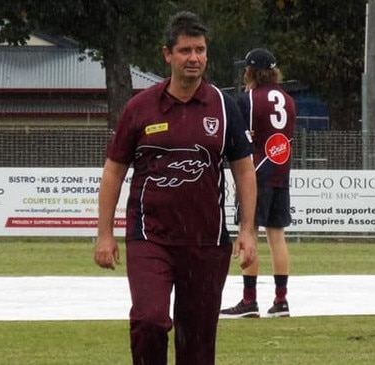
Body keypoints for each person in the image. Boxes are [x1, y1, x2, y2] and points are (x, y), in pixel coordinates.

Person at [93, 11, 258, 365]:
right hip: (150, 237)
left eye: (200, 50)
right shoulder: (140, 108)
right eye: (185, 50)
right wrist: (104, 234)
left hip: (207, 242)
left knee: (197, 343)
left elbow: (244, 171)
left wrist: (247, 229)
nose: (194, 58)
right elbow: (112, 174)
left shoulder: (224, 107)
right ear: (167, 54)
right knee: (149, 320)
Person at [219, 48, 297, 319]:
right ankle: (281, 300)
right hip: (281, 173)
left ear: (252, 71)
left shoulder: (249, 98)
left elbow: (244, 137)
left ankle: (249, 300)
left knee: (248, 231)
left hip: (255, 174)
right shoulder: (288, 100)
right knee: (277, 236)